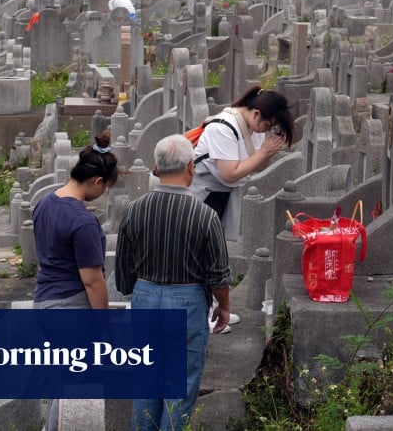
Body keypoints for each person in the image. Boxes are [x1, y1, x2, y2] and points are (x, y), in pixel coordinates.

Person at [116, 134, 231, 431]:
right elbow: (218, 273)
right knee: (181, 384)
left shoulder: (134, 210)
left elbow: (123, 269)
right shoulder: (204, 215)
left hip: (144, 295)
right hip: (187, 300)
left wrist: (139, 290)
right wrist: (224, 306)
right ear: (191, 167)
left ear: (157, 167)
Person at [32, 132, 119, 431]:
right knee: (77, 383)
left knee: (63, 379)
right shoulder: (82, 221)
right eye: (105, 187)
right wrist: (105, 326)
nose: (103, 193)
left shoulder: (45, 202)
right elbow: (92, 280)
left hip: (44, 300)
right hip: (71, 308)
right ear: (97, 182)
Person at [190, 85, 295, 236]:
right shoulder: (223, 127)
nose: (266, 130)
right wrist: (263, 152)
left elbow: (256, 166)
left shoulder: (254, 126)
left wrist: (268, 153)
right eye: (267, 125)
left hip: (224, 194)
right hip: (203, 195)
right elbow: (230, 173)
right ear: (256, 114)